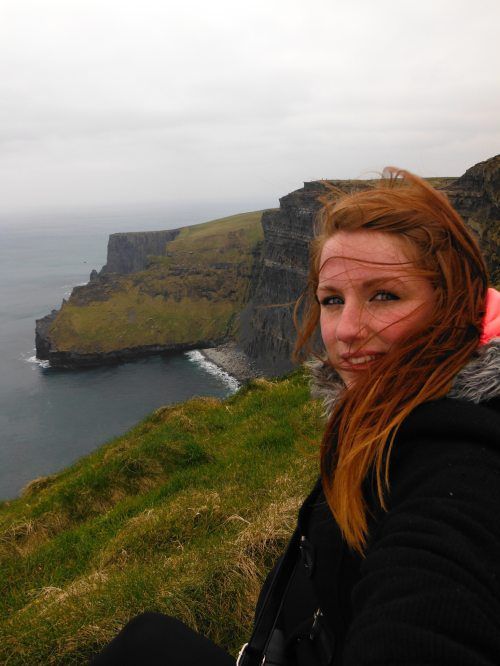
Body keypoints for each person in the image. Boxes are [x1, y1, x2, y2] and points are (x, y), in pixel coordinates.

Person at [90, 169, 500, 665]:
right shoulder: (383, 417)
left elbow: (436, 589)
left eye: (385, 295)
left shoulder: (464, 464)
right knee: (144, 641)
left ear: (455, 303)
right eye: (332, 300)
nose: (346, 331)